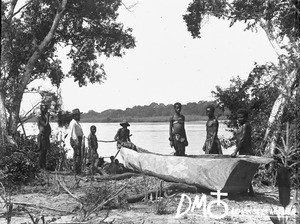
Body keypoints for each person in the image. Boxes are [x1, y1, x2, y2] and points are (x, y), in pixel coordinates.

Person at [231, 108, 255, 196]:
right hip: (243, 151)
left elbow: (243, 139)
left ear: (246, 118)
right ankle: (247, 191)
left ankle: (249, 191)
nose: (239, 119)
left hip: (247, 152)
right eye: (238, 117)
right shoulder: (242, 126)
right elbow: (238, 138)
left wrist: (235, 151)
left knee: (245, 172)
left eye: (241, 117)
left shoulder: (246, 125)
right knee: (244, 172)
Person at [69, 108, 84, 175]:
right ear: (75, 116)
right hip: (75, 140)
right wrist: (76, 140)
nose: (79, 116)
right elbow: (73, 133)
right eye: (78, 115)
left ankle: (78, 170)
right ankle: (76, 171)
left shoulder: (76, 123)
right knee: (77, 155)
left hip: (78, 139)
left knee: (78, 154)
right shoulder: (73, 123)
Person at [37, 103, 51, 170]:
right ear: (41, 109)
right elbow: (45, 125)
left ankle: (44, 167)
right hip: (42, 137)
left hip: (46, 137)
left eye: (46, 109)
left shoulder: (44, 117)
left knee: (45, 152)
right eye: (44, 109)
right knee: (42, 152)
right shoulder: (40, 117)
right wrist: (48, 118)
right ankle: (40, 167)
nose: (45, 110)